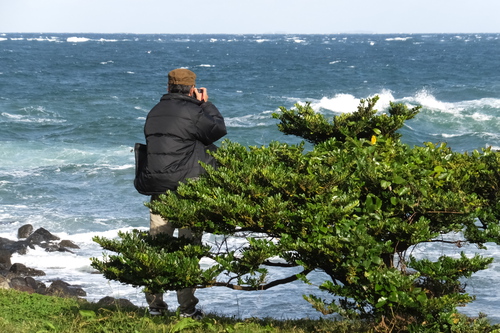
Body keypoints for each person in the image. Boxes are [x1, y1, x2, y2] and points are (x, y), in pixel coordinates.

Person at [134, 68, 227, 319]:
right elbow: (217, 130)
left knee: (156, 250)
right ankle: (186, 309)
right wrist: (207, 105)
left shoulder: (154, 112)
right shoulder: (195, 111)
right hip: (188, 191)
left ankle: (155, 306)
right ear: (192, 89)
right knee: (188, 251)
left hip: (159, 191)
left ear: (168, 87)